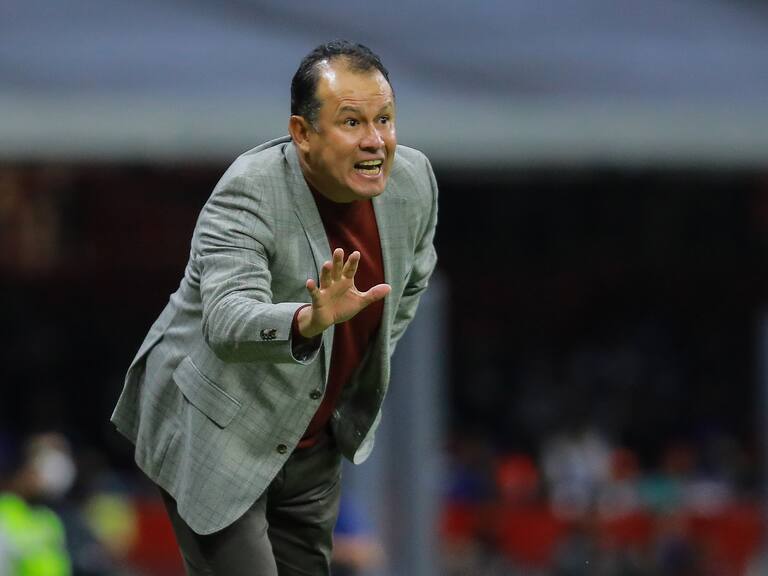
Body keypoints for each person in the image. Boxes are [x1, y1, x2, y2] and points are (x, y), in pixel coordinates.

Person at [111, 39, 438, 575]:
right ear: (302, 134)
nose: (376, 141)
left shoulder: (414, 182)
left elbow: (414, 279)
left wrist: (353, 362)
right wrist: (309, 321)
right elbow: (227, 321)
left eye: (386, 119)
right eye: (352, 123)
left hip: (311, 440)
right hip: (218, 428)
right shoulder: (247, 192)